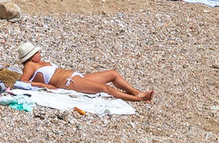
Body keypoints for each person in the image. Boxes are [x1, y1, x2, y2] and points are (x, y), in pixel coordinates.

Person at [15, 41, 152, 104]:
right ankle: (139, 99)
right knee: (106, 89)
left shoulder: (39, 63)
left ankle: (136, 92)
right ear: (31, 55)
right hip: (69, 82)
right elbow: (22, 83)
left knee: (112, 74)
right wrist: (45, 86)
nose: (40, 53)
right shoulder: (30, 65)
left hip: (77, 76)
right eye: (37, 52)